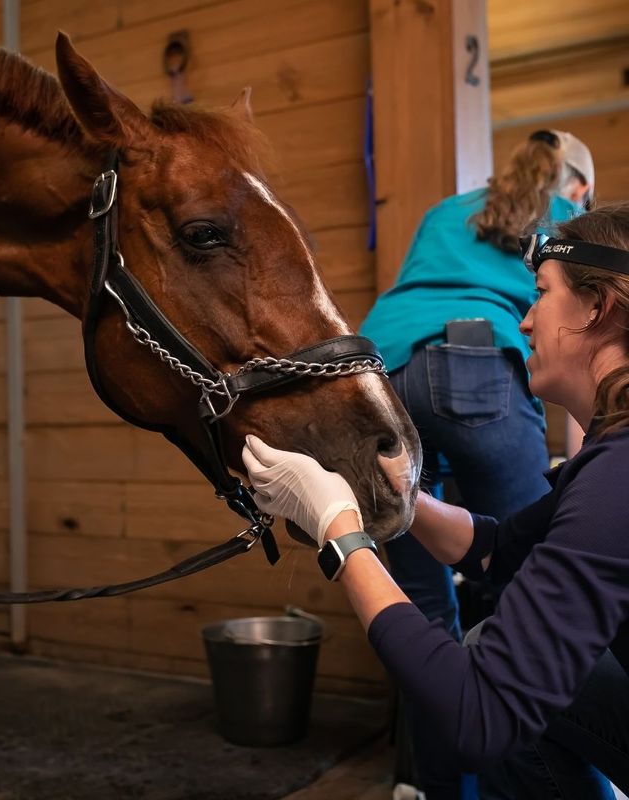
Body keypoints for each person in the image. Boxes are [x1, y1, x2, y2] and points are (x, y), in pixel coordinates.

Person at [242, 203, 629, 799]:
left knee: (497, 690)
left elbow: (482, 717)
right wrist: (401, 495)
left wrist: (341, 534)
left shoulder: (618, 478)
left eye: (541, 294)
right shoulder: (609, 464)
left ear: (596, 307)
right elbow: (496, 553)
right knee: (492, 651)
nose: (523, 323)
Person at [357, 129, 595, 795]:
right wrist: (585, 474)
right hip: (475, 368)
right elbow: (581, 354)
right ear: (577, 188)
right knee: (532, 592)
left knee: (422, 610)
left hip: (381, 373)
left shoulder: (446, 209)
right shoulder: (572, 222)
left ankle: (434, 787)